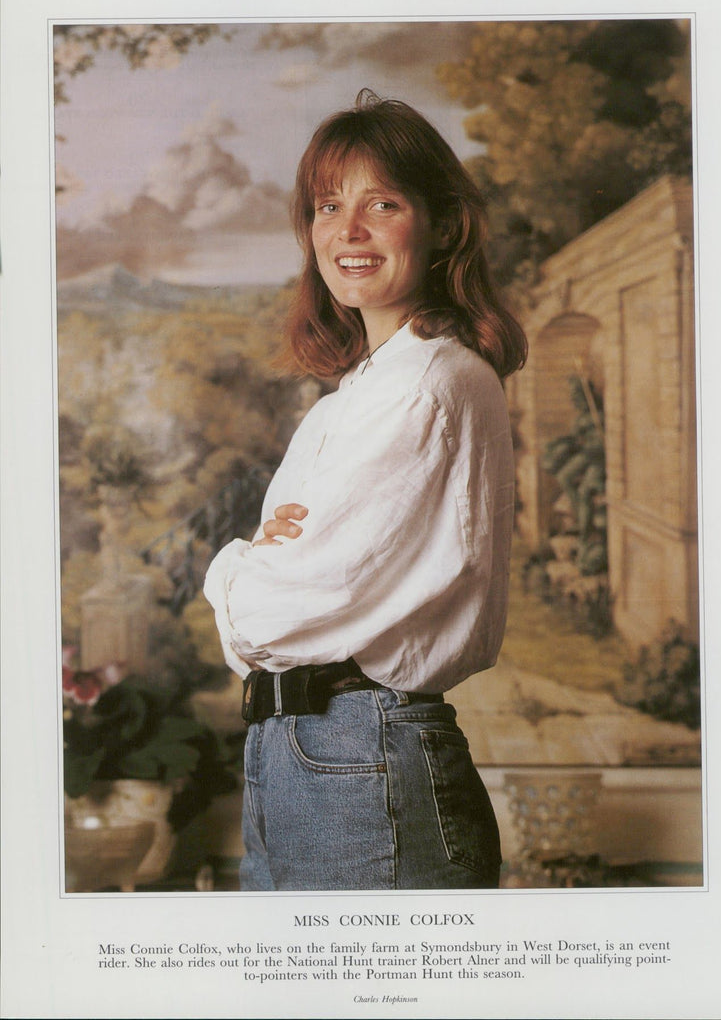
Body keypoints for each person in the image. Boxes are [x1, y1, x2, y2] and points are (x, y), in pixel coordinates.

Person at [204, 90, 527, 891]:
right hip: (305, 753)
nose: (346, 231)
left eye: (381, 203)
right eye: (326, 205)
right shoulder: (363, 392)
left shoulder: (425, 385)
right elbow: (285, 596)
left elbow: (292, 598)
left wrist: (234, 568)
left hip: (359, 754)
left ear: (443, 223)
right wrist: (266, 565)